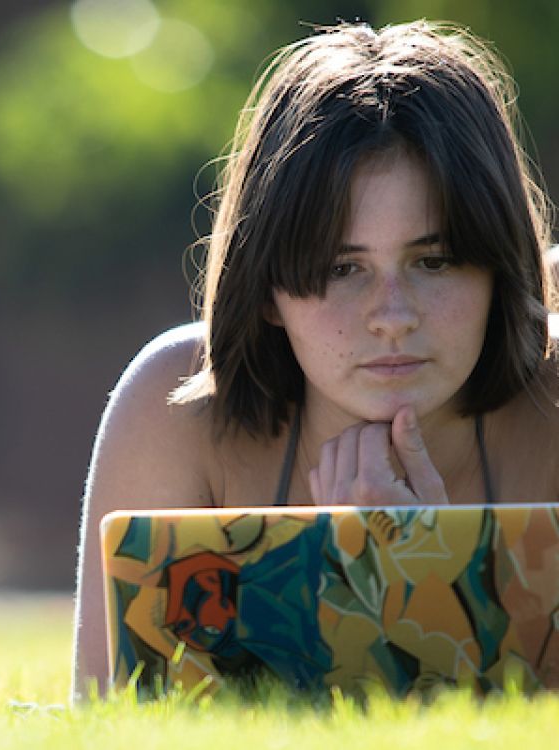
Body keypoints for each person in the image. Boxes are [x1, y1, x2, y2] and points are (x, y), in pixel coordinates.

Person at [72, 19, 559, 699]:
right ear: (267, 287)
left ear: (498, 272)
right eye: (341, 267)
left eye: (434, 260)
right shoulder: (176, 407)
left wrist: (427, 585)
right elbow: (108, 720)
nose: (393, 315)